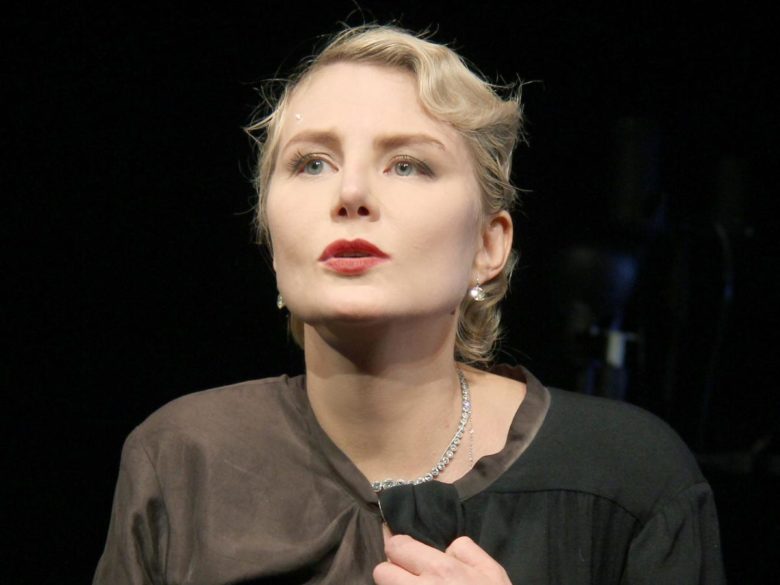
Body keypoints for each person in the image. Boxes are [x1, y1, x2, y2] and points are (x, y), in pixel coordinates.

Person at [93, 25, 725, 584]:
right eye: (311, 163)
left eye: (407, 165)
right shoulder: (184, 460)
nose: (351, 193)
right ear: (271, 240)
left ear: (488, 244)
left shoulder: (627, 476)